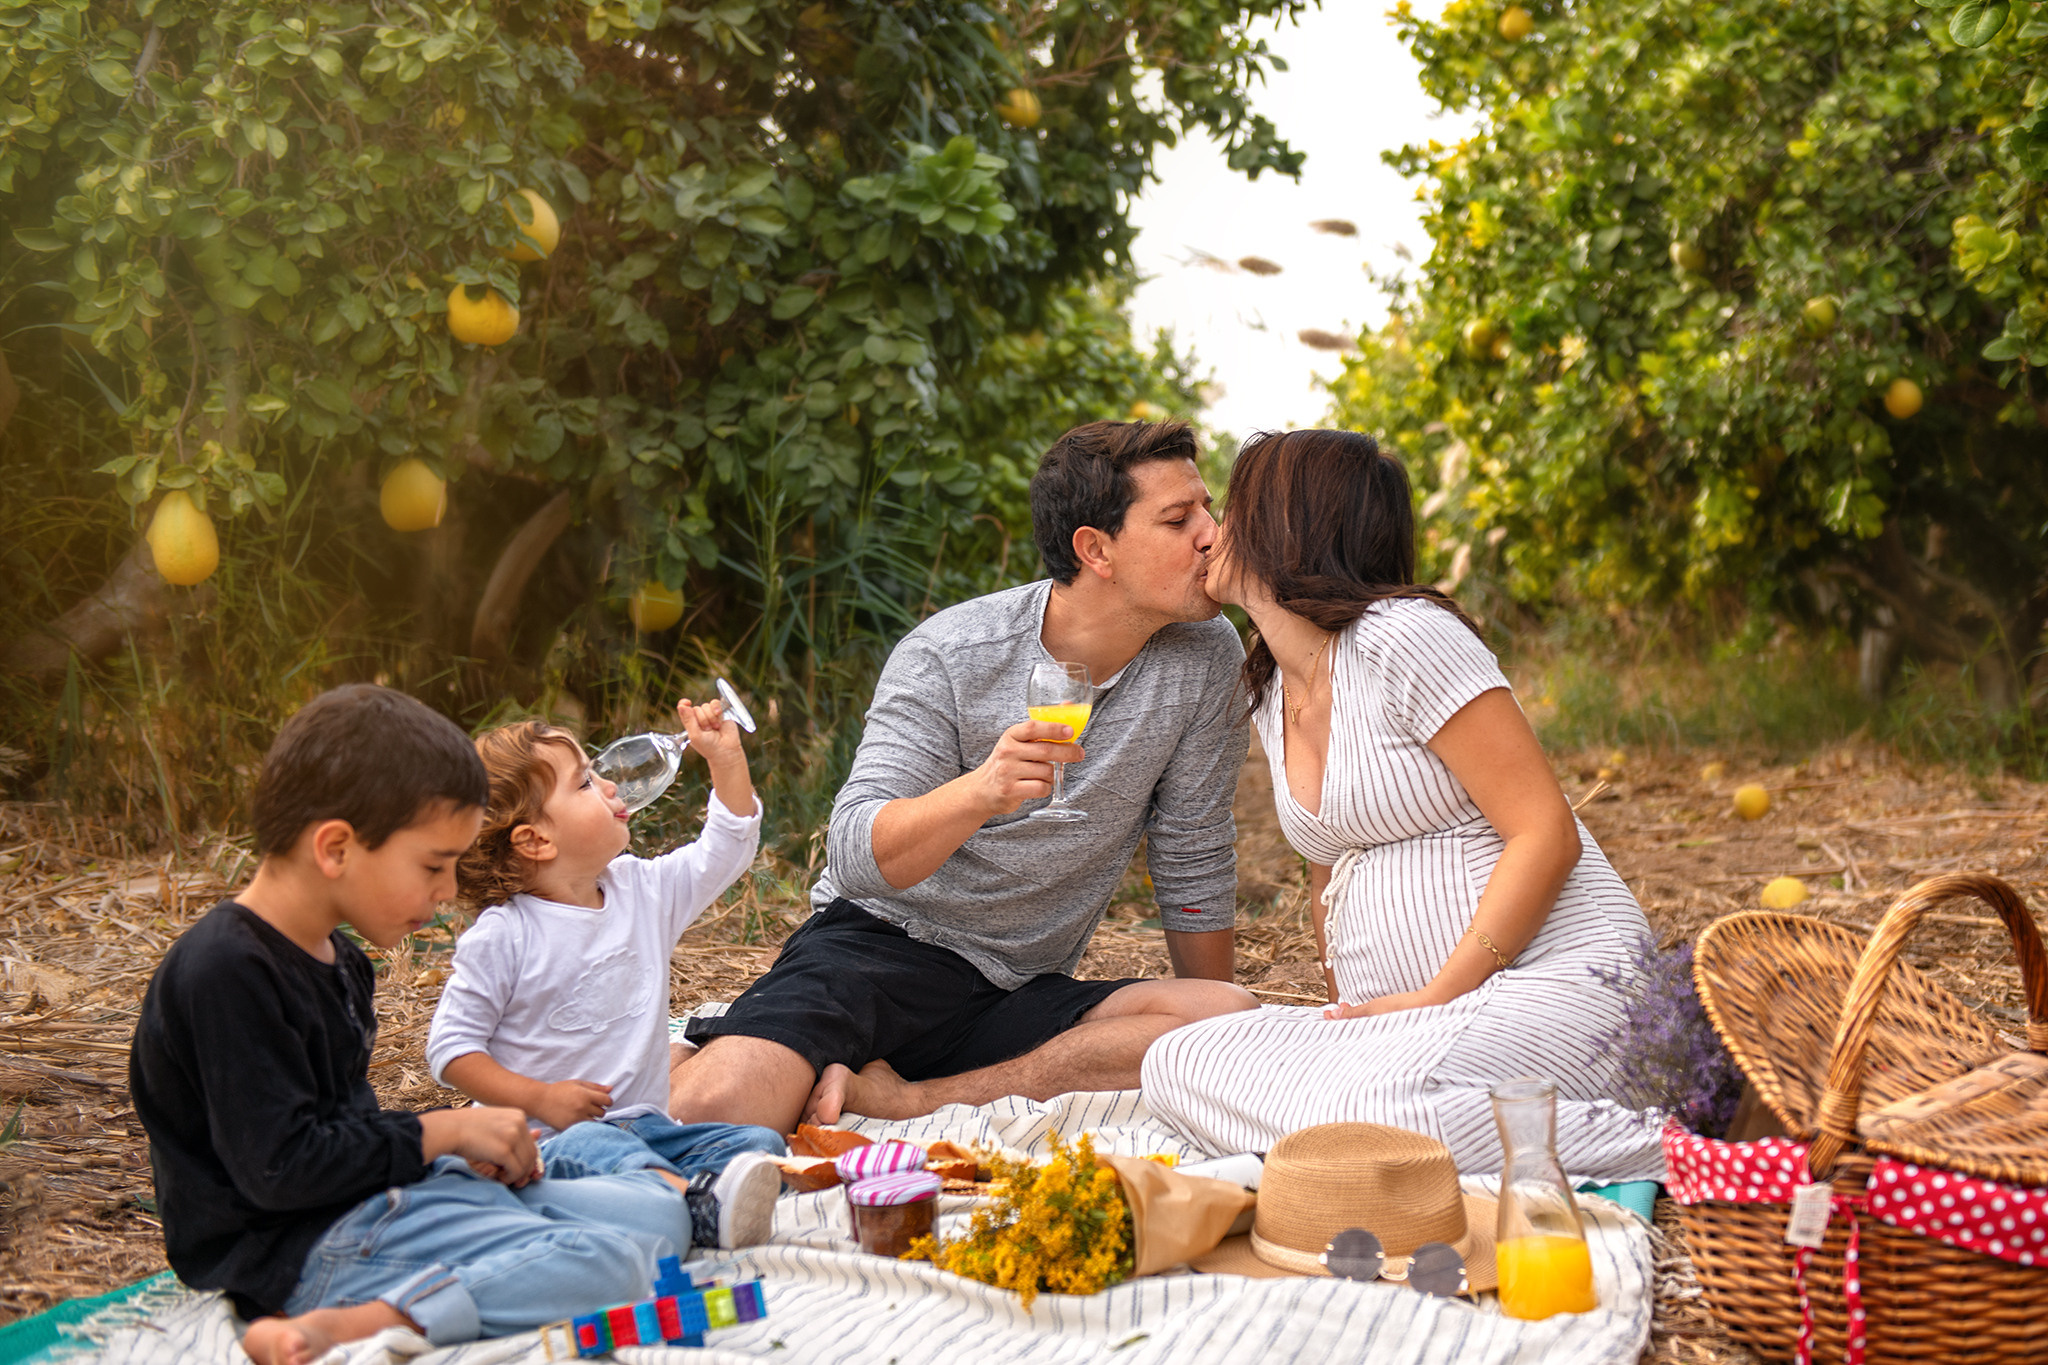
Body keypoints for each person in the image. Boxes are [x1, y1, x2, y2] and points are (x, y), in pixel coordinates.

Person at [670, 419, 1259, 1136]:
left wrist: (1211, 1005)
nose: (1213, 533)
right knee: (711, 1109)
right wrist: (982, 790)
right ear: (1095, 549)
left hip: (1018, 988)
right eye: (1179, 518)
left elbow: (1192, 849)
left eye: (1208, 509)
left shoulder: (1206, 655)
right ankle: (721, 1048)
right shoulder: (952, 652)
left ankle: (913, 1097)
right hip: (879, 952)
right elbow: (856, 854)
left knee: (1228, 1019)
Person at [1141, 429, 1665, 1180]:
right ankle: (1373, 1130)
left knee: (1391, 1105)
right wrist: (1346, 1028)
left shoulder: (1406, 638)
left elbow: (1546, 832)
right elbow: (1326, 878)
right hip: (1416, 1026)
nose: (1212, 529)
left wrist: (1434, 997)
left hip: (1554, 983)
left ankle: (1681, 1144)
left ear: (1287, 522)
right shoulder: (1269, 688)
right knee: (1176, 1061)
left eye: (1231, 505)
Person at [130, 685, 701, 1365]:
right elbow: (278, 1168)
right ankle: (362, 1319)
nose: (448, 890)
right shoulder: (227, 971)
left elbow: (342, 1126)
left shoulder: (339, 959)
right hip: (299, 1248)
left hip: (375, 1199)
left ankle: (499, 1230)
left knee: (659, 1217)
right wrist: (446, 1130)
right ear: (336, 848)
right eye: (434, 865)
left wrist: (450, 1151)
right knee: (613, 1267)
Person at [425, 698, 787, 1248]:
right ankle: (691, 1204)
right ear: (536, 840)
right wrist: (539, 1098)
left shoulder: (640, 891)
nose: (613, 787)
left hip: (648, 1131)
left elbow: (726, 848)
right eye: (585, 784)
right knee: (597, 1149)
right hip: (546, 1143)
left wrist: (726, 761)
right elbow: (450, 1049)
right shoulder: (506, 934)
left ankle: (663, 1197)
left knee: (760, 1142)